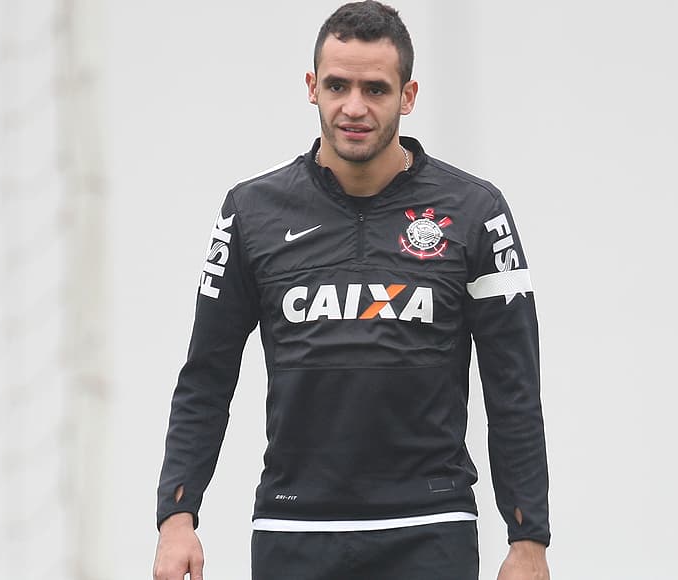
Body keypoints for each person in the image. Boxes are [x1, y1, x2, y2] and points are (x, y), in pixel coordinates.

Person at [153, 2, 550, 579]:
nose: (354, 107)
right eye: (337, 85)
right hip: (294, 529)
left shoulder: (475, 212)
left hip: (429, 528)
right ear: (312, 88)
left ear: (408, 96)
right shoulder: (250, 211)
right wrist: (177, 514)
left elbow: (513, 384)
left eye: (376, 89)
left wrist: (528, 536)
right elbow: (206, 377)